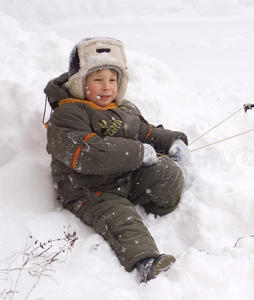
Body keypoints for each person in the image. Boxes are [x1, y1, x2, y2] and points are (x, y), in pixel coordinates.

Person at [44, 37, 190, 282]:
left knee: (168, 173)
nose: (107, 87)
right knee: (119, 216)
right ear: (80, 82)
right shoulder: (67, 114)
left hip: (124, 175)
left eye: (113, 80)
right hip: (89, 188)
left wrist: (172, 141)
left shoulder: (122, 109)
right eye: (98, 79)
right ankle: (146, 260)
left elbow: (145, 132)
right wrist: (137, 153)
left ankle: (153, 207)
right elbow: (87, 153)